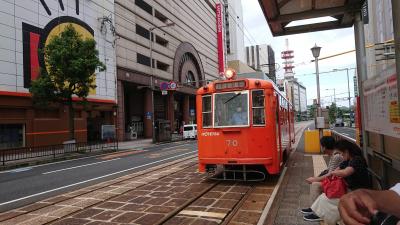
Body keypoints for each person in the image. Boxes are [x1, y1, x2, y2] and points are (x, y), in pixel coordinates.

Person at [303, 140, 370, 225]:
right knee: (324, 196)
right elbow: (337, 169)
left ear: (346, 151)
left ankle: (323, 215)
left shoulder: (357, 160)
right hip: (349, 189)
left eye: (342, 154)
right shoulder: (347, 160)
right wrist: (333, 172)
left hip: (357, 192)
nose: (341, 156)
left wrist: (334, 173)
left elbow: (345, 172)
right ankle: (319, 213)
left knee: (327, 199)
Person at [301, 136, 343, 214]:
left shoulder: (336, 156)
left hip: (339, 184)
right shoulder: (334, 154)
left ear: (324, 147)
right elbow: (329, 171)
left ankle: (316, 212)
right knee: (315, 182)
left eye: (322, 146)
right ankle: (314, 208)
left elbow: (330, 174)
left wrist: (315, 179)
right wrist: (316, 178)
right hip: (337, 180)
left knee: (315, 185)